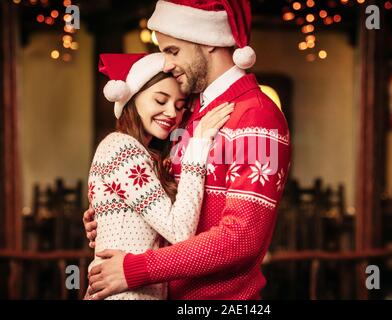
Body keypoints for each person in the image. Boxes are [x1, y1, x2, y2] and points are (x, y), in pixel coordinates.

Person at [84, 0, 291, 300]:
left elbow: (241, 238)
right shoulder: (188, 114)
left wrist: (137, 268)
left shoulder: (257, 115)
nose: (165, 63)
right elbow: (170, 204)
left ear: (208, 42)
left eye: (172, 51)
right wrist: (116, 214)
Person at [85, 52, 233, 299]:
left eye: (179, 106)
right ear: (132, 97)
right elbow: (180, 232)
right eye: (160, 100)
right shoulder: (121, 147)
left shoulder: (147, 155)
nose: (171, 114)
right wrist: (199, 144)